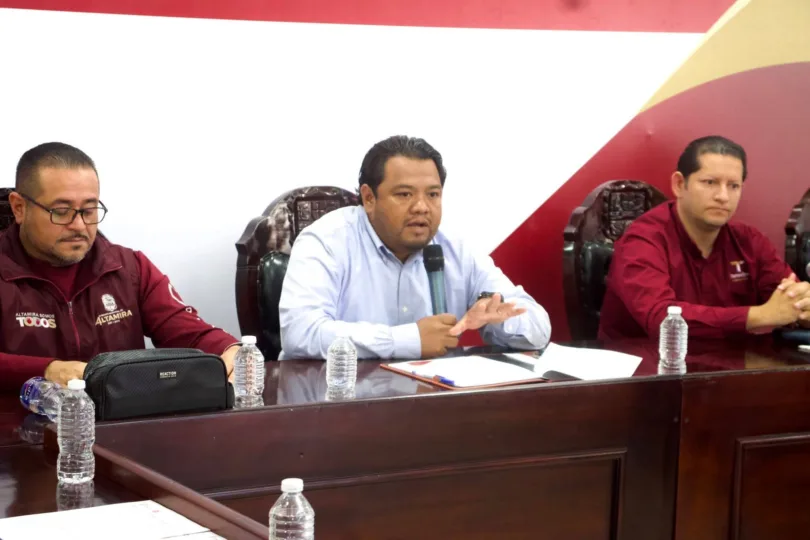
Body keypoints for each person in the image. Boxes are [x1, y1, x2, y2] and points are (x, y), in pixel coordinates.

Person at [279, 135, 551, 360]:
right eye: (404, 194)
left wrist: (499, 318)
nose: (422, 207)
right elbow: (300, 333)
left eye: (433, 194)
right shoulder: (327, 241)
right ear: (369, 198)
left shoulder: (455, 248)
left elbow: (539, 328)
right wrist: (409, 340)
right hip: (337, 398)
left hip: (428, 400)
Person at [0, 142, 240, 390]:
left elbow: (190, 333)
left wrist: (231, 349)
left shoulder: (129, 268)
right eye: (61, 211)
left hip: (119, 413)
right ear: (19, 208)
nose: (79, 225)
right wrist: (47, 370)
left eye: (89, 210)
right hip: (21, 413)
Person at [599, 135, 810, 341]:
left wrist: (802, 307)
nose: (723, 196)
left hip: (732, 361)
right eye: (710, 182)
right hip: (646, 361)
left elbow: (790, 300)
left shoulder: (749, 241)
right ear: (679, 184)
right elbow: (662, 319)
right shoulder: (643, 240)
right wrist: (760, 316)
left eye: (733, 186)